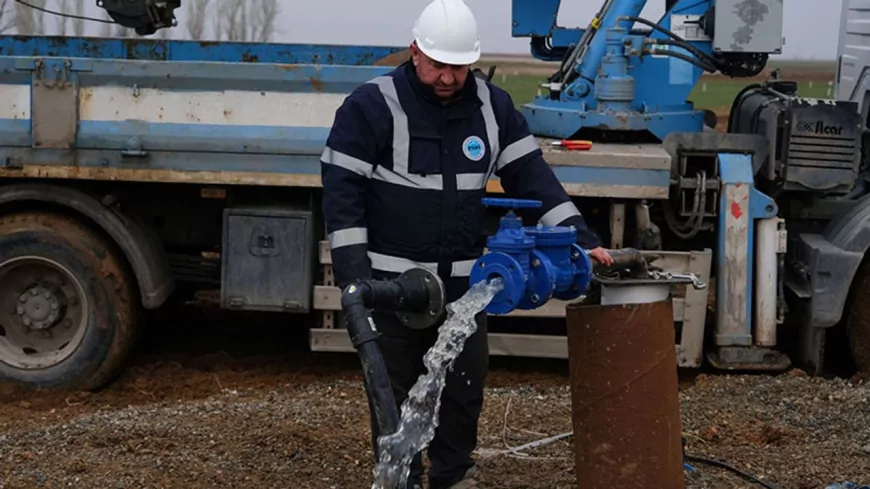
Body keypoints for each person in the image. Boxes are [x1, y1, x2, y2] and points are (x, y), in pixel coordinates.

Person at [320, 1, 613, 487]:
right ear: (415, 52)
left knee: (462, 391)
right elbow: (342, 197)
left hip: (462, 291)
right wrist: (357, 287)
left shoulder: (492, 108)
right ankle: (401, 479)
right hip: (391, 288)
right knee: (392, 396)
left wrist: (583, 241)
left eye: (459, 67)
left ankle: (453, 477)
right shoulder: (371, 107)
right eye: (438, 65)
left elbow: (534, 179)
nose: (448, 78)